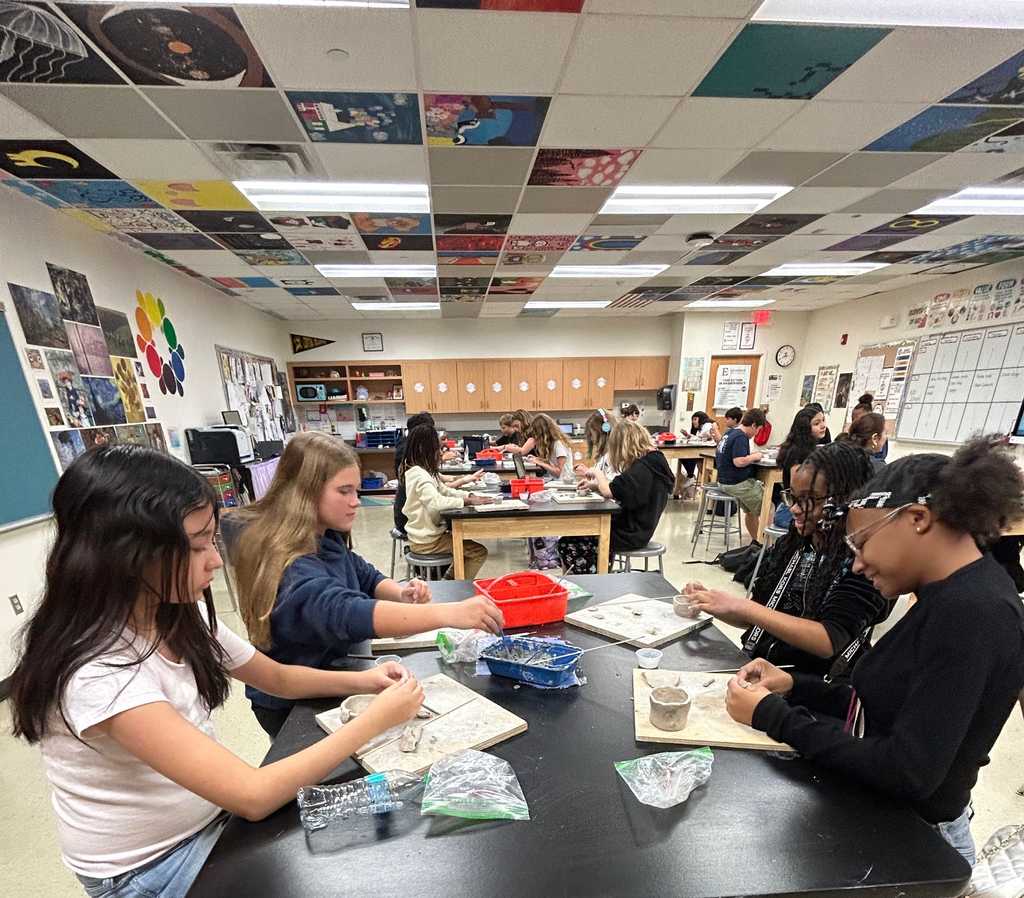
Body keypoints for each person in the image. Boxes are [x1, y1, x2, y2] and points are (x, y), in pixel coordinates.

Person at [8, 445, 427, 898]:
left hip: (210, 819)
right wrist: (376, 719)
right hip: (151, 866)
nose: (215, 560)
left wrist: (364, 681)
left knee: (378, 831)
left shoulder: (175, 612)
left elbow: (277, 677)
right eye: (198, 545)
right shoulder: (97, 669)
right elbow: (252, 794)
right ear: (128, 554)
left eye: (213, 539)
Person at [725, 437, 1024, 864]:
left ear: (917, 518)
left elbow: (905, 770)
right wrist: (794, 686)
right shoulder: (947, 597)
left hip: (914, 844)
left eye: (861, 543)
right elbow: (885, 707)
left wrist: (774, 717)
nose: (859, 564)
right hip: (890, 822)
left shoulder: (973, 613)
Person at [229, 433, 503, 735]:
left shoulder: (324, 535)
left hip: (330, 671)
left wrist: (400, 594)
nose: (356, 501)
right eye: (344, 491)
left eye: (356, 490)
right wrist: (450, 614)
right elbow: (348, 613)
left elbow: (364, 575)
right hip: (291, 704)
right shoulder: (291, 567)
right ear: (304, 493)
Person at [685, 442, 889, 677]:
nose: (793, 508)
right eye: (792, 497)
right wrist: (711, 602)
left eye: (809, 498)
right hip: (763, 669)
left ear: (843, 500)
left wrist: (743, 606)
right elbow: (761, 616)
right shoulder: (791, 546)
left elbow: (828, 640)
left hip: (817, 688)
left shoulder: (860, 561)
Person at [558, 420, 674, 573]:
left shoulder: (642, 468)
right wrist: (594, 486)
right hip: (639, 528)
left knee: (567, 543)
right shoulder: (653, 462)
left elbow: (610, 491)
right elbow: (623, 491)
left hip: (630, 534)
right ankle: (598, 570)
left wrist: (597, 474)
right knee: (581, 535)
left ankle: (594, 578)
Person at [401, 424, 492, 579]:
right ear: (427, 450)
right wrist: (467, 502)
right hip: (427, 541)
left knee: (467, 549)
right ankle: (451, 586)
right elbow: (437, 501)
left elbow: (445, 491)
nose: (440, 453)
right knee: (478, 552)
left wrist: (469, 495)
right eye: (438, 449)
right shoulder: (420, 475)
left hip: (427, 536)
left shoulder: (422, 471)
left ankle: (449, 582)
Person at [715, 408, 767, 543]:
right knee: (769, 507)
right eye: (758, 429)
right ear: (754, 425)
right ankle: (768, 545)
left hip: (724, 482)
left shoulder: (730, 433)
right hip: (738, 483)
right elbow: (738, 461)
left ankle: (757, 541)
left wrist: (748, 456)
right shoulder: (741, 437)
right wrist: (755, 456)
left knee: (751, 511)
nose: (757, 433)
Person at [773, 406, 829, 527]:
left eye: (823, 420)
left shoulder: (811, 448)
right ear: (805, 427)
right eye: (817, 423)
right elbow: (797, 488)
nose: (823, 425)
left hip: (801, 506)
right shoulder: (798, 452)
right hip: (790, 511)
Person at [524, 413, 572, 480]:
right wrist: (537, 459)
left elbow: (561, 472)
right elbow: (553, 462)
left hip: (563, 480)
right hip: (554, 478)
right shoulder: (553, 443)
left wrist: (541, 463)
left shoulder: (559, 444)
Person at [681, 411, 719, 483]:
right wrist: (688, 435)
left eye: (695, 419)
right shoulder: (699, 429)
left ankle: (691, 476)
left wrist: (694, 436)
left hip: (710, 451)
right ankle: (691, 476)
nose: (693, 422)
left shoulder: (708, 425)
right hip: (701, 451)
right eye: (692, 420)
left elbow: (709, 436)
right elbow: (698, 438)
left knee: (690, 457)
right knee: (684, 456)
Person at [576, 409, 613, 478]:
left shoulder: (612, 455)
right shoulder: (604, 454)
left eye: (592, 435)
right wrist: (588, 472)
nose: (592, 439)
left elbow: (609, 485)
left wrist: (588, 473)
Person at [851, 393, 889, 461]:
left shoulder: (880, 436)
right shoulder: (852, 436)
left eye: (860, 419)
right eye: (853, 420)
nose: (856, 423)